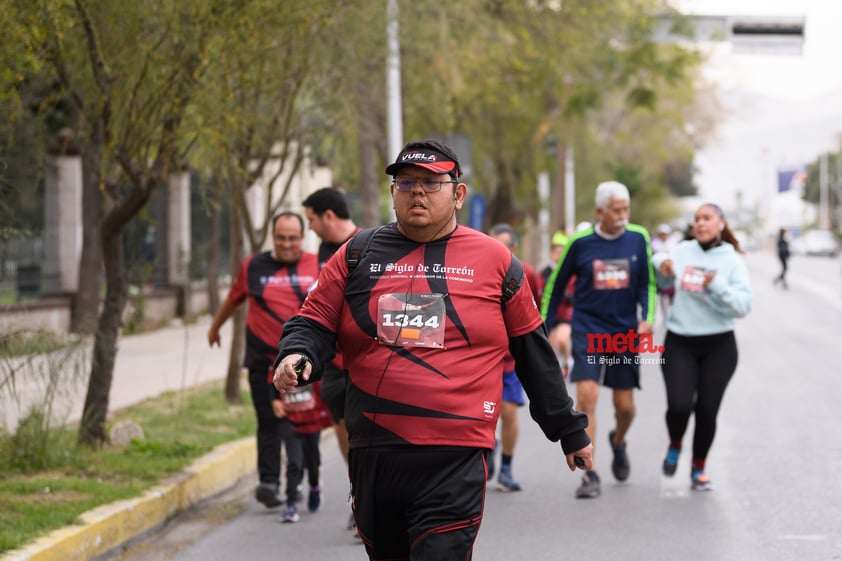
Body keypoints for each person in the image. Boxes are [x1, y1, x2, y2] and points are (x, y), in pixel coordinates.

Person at [273, 138, 593, 561]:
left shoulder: (496, 262)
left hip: (455, 454)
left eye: (430, 183)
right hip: (374, 452)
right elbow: (313, 320)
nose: (416, 192)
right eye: (405, 183)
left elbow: (533, 353)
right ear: (392, 193)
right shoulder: (358, 254)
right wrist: (297, 355)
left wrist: (567, 429)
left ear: (458, 194)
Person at [541, 181, 656, 499]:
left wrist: (647, 317)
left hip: (623, 333)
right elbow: (555, 285)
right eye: (616, 210)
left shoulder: (638, 238)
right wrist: (541, 327)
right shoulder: (580, 242)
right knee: (587, 398)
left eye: (626, 209)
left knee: (625, 407)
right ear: (600, 212)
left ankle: (618, 441)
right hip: (588, 329)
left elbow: (648, 283)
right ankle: (589, 475)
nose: (622, 216)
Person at [207, 212, 319, 511]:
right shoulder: (254, 266)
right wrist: (215, 326)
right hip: (261, 360)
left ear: (302, 237)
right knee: (267, 420)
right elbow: (234, 298)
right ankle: (269, 482)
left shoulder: (317, 265)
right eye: (281, 238)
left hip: (300, 361)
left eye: (293, 238)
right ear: (273, 237)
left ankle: (304, 480)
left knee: (300, 423)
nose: (286, 244)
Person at [652, 203, 751, 491]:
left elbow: (743, 306)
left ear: (721, 223)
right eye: (697, 219)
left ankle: (698, 468)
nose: (700, 223)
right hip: (680, 340)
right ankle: (674, 445)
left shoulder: (731, 260)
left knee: (707, 410)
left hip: (719, 345)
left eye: (707, 218)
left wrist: (716, 284)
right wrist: (663, 266)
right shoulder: (683, 251)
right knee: (680, 406)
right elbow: (660, 266)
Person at [301, 186, 362, 531]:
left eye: (311, 219)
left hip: (362, 361)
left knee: (368, 436)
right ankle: (360, 500)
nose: (309, 228)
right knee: (344, 436)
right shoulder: (324, 250)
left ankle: (373, 505)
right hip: (333, 365)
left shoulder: (367, 246)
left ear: (328, 216)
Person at [487, 222, 544, 492]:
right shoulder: (478, 272)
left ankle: (506, 468)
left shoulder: (526, 273)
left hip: (511, 359)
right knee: (484, 414)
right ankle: (488, 447)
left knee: (508, 412)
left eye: (503, 246)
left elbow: (537, 311)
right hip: (483, 358)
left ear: (514, 249)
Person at [651, 224, 678, 317]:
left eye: (665, 234)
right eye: (662, 234)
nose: (663, 236)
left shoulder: (674, 243)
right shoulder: (654, 243)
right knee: (663, 297)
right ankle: (665, 317)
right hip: (660, 277)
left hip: (672, 276)